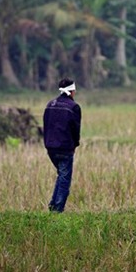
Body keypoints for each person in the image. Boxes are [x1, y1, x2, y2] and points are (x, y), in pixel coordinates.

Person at [43, 78, 81, 213]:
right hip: (65, 148)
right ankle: (57, 209)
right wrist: (75, 145)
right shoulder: (74, 107)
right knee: (65, 179)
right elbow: (75, 130)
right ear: (71, 91)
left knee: (61, 175)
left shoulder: (50, 104)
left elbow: (45, 126)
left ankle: (53, 205)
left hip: (50, 147)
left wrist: (47, 143)